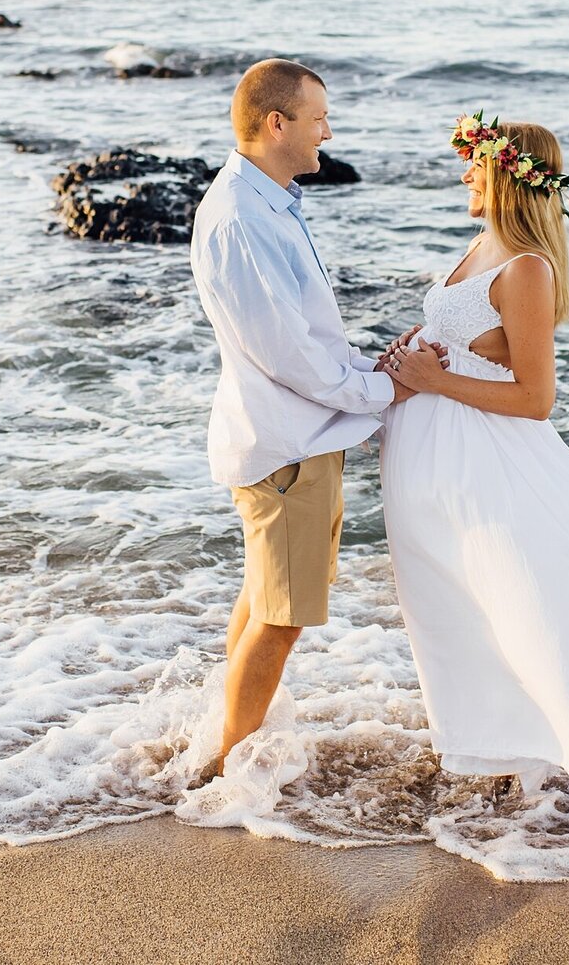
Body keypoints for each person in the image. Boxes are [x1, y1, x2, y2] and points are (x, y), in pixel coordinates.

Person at [376, 112, 569, 812]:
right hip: (441, 471)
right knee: (465, 613)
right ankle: (502, 757)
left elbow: (536, 397)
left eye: (474, 164)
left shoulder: (527, 269)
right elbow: (452, 343)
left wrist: (432, 379)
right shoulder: (475, 249)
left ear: (507, 175)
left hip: (496, 468)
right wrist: (402, 362)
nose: (463, 175)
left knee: (536, 612)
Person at [187, 58, 444, 783]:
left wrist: (367, 370)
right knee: (281, 615)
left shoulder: (267, 203)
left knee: (264, 600)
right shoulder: (243, 219)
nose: (326, 131)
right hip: (286, 444)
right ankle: (228, 776)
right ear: (277, 124)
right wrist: (382, 392)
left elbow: (303, 336)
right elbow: (285, 352)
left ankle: (224, 737)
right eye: (317, 117)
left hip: (293, 436)